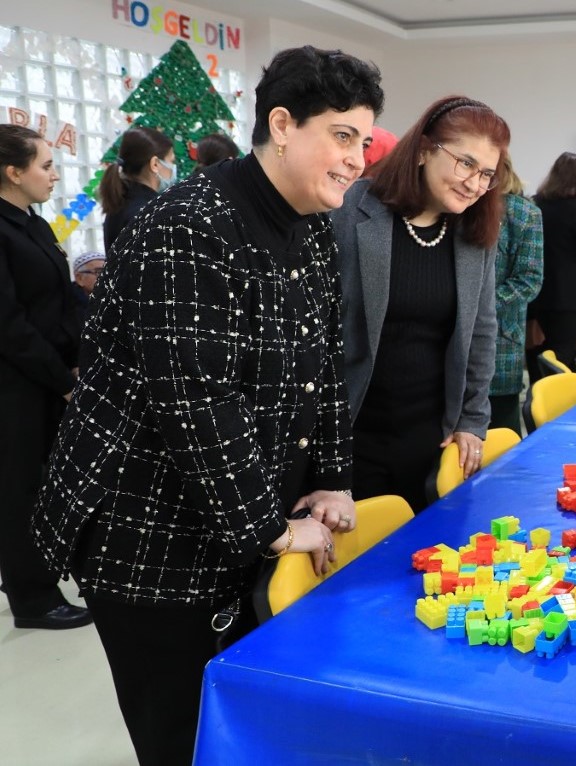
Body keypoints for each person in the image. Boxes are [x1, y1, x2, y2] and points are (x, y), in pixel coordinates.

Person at [33, 46, 384, 766]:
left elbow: (323, 361)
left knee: (240, 730)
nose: (357, 159)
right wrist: (272, 532)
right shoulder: (185, 228)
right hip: (146, 531)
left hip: (232, 513)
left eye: (364, 141)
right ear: (282, 125)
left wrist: (333, 475)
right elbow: (197, 405)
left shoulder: (310, 226)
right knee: (183, 736)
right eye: (342, 136)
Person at [332, 96, 504, 512]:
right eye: (465, 163)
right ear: (425, 150)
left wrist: (472, 420)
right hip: (354, 428)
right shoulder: (352, 211)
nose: (474, 183)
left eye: (486, 174)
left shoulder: (472, 232)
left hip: (431, 436)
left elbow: (482, 330)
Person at [0, 124, 92, 632]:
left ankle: (59, 569)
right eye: (45, 166)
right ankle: (32, 597)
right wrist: (61, 377)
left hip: (51, 376)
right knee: (19, 492)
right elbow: (9, 326)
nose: (54, 176)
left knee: (56, 485)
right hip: (18, 384)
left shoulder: (32, 223)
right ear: (14, 173)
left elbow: (61, 297)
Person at [528, 152, 576, 383]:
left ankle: (537, 402)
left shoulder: (536, 203)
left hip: (538, 291)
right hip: (569, 296)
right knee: (561, 355)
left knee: (538, 351)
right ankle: (557, 408)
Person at [489, 154, 543, 433]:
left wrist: (480, 305)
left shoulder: (523, 213)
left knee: (502, 432)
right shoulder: (456, 207)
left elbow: (529, 280)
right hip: (449, 344)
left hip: (501, 338)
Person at [98, 126, 176, 252]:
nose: (173, 168)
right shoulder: (150, 211)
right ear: (155, 164)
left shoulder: (120, 202)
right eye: (171, 161)